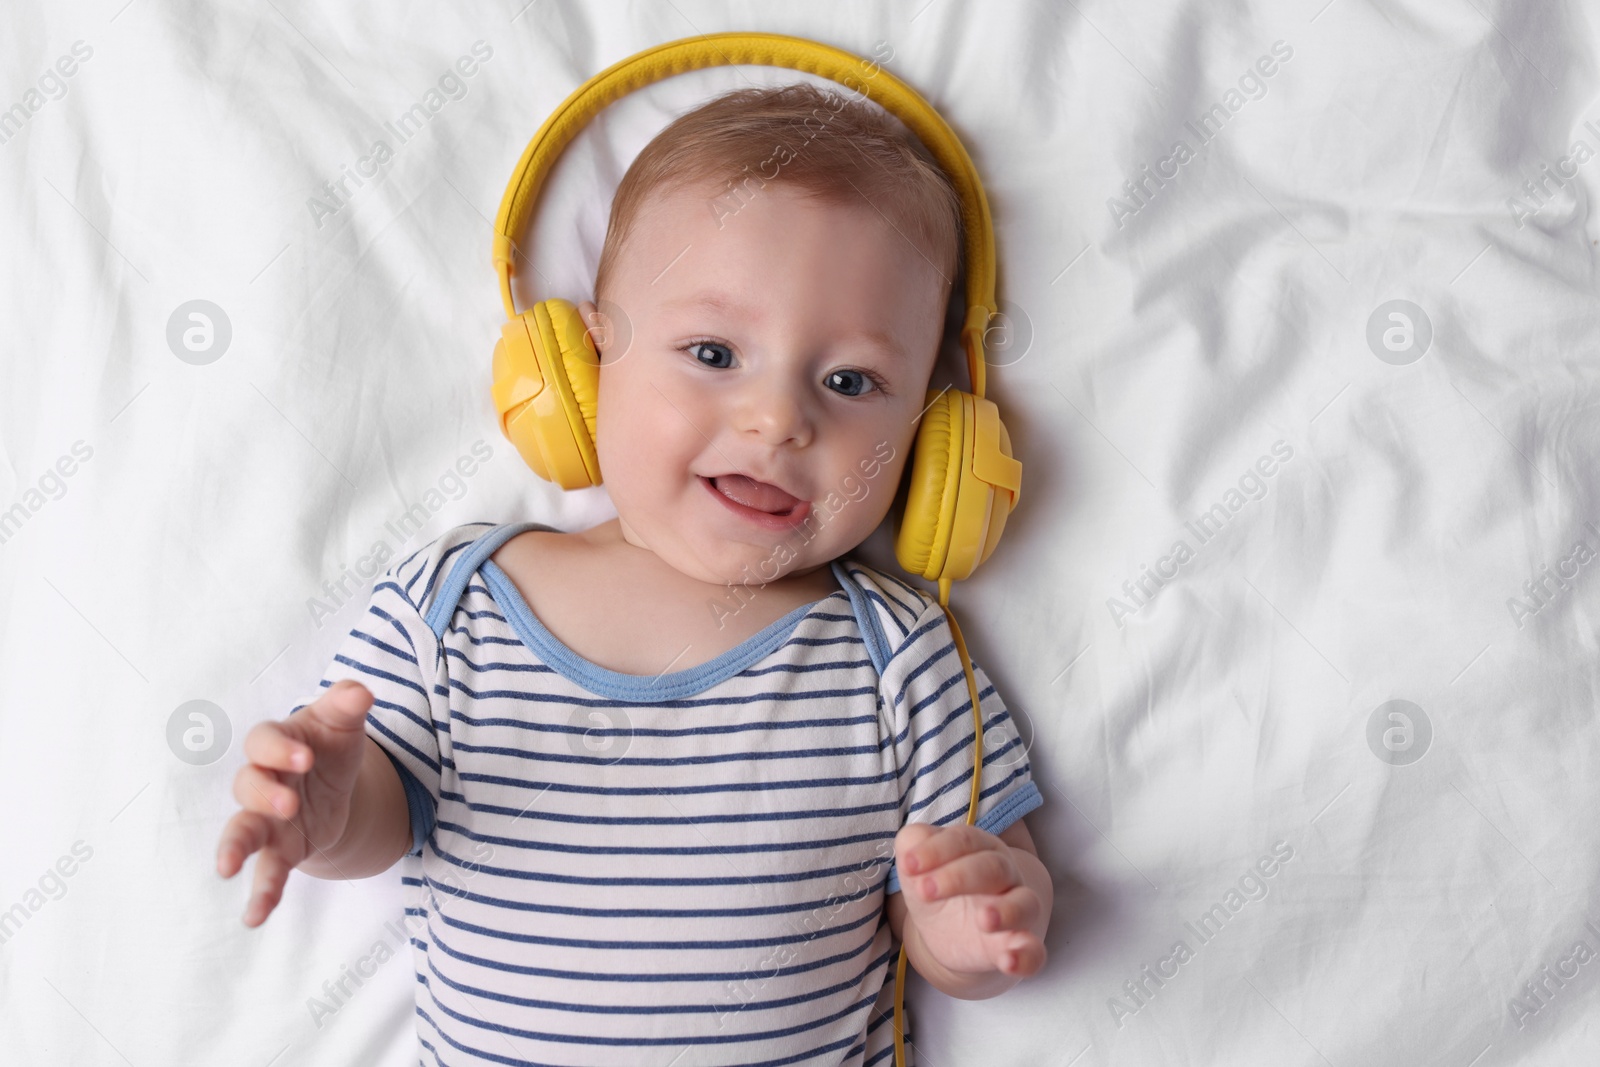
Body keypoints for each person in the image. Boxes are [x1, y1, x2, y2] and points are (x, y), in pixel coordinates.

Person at [215, 81, 1051, 1065]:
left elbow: (971, 907)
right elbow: (383, 824)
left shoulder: (899, 654)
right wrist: (329, 807)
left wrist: (971, 935)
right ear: (580, 365)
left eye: (851, 381)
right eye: (712, 351)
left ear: (934, 433)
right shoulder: (453, 605)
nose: (778, 419)